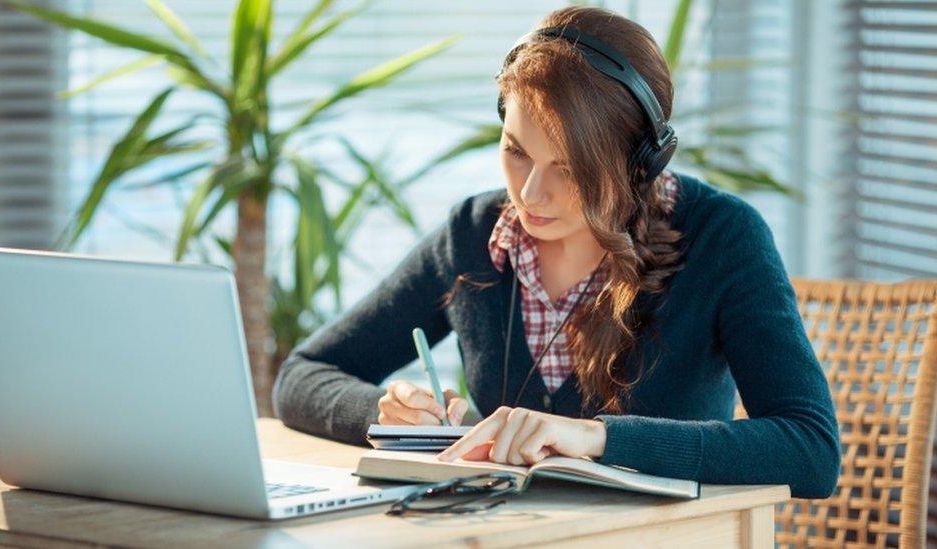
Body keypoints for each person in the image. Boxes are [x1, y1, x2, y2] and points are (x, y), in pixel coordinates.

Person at [273, 6, 841, 499]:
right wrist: (389, 415)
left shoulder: (723, 235)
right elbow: (303, 375)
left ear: (639, 162)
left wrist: (597, 438)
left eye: (568, 170)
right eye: (517, 153)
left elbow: (810, 448)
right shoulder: (473, 235)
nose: (529, 195)